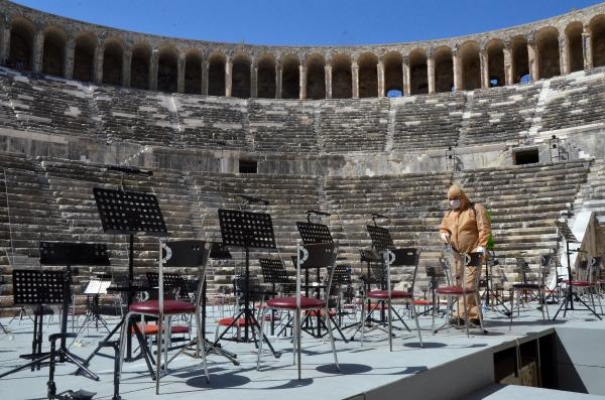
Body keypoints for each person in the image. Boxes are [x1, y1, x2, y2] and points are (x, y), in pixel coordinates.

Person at [439, 183, 491, 326]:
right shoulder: (449, 214)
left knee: (468, 284)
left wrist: (482, 245)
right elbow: (443, 228)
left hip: (474, 252)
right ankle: (475, 316)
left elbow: (484, 227)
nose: (453, 201)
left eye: (456, 198)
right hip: (457, 255)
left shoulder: (475, 209)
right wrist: (443, 234)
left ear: (462, 197)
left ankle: (460, 316)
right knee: (464, 285)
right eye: (450, 199)